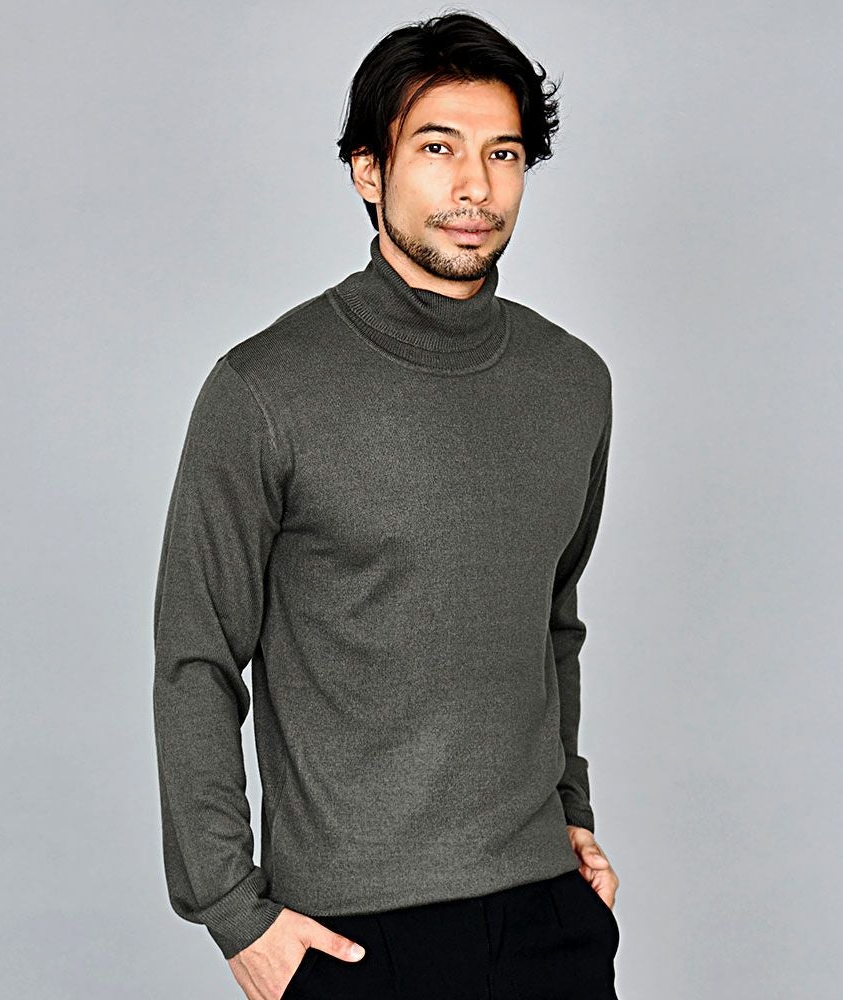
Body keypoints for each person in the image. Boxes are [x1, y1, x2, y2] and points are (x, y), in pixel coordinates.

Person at [153, 10, 620, 999]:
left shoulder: (573, 382)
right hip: (354, 938)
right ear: (369, 170)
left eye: (503, 153)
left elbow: (550, 619)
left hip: (549, 914)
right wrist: (232, 910)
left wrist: (572, 811)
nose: (475, 187)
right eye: (437, 149)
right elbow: (197, 657)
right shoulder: (264, 390)